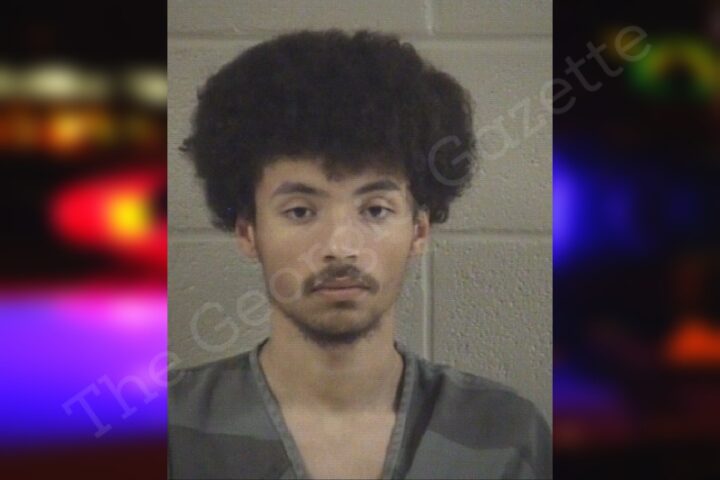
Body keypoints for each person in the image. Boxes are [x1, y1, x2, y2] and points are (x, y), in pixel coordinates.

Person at [169, 29, 551, 479]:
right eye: (300, 211)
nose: (339, 247)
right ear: (248, 232)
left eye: (375, 209)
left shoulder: (504, 436)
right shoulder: (169, 431)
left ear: (419, 230)